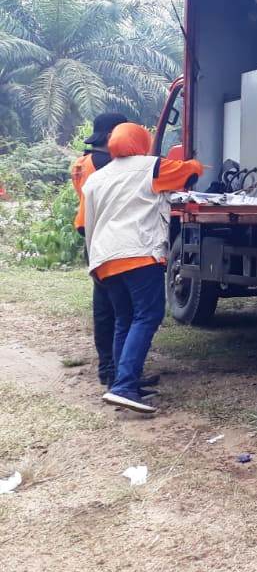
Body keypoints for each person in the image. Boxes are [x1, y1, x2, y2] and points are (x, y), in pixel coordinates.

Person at [82, 123, 203, 414]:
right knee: (148, 315)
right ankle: (125, 386)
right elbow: (192, 171)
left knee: (125, 319)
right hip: (137, 253)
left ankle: (122, 384)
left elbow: (89, 221)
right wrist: (196, 161)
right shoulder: (152, 167)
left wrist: (93, 261)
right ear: (141, 142)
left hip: (104, 257)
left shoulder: (98, 178)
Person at [71, 111, 128, 388]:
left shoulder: (82, 162)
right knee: (118, 308)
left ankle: (109, 368)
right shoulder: (109, 164)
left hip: (90, 232)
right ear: (111, 136)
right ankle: (115, 370)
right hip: (107, 235)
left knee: (104, 306)